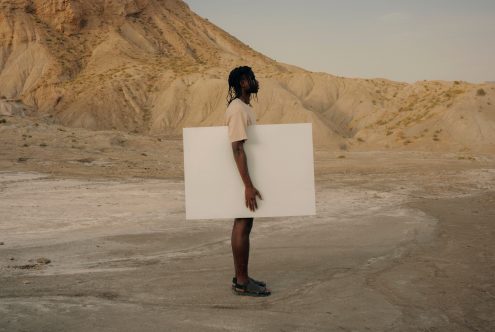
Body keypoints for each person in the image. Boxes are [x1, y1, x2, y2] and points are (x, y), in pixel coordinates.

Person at [225, 66, 271, 297]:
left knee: (246, 223)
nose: (255, 82)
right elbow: (237, 148)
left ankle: (241, 276)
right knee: (242, 224)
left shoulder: (245, 107)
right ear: (243, 82)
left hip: (245, 176)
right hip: (241, 178)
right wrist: (248, 186)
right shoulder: (237, 109)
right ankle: (242, 281)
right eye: (251, 78)